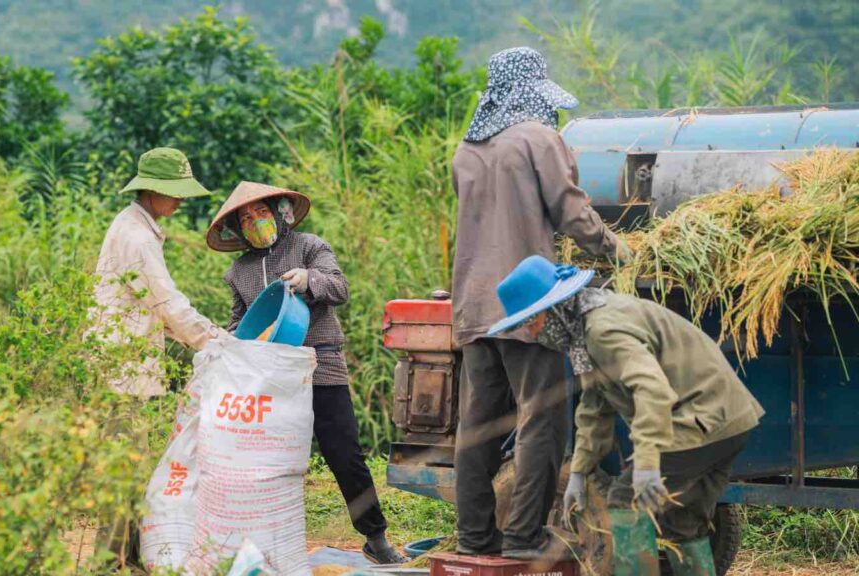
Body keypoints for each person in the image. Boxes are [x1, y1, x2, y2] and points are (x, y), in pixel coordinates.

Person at [450, 46, 629, 559]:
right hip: (528, 307)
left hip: (473, 307)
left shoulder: (468, 150)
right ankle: (524, 538)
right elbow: (572, 211)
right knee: (542, 419)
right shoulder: (537, 138)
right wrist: (617, 247)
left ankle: (475, 538)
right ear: (533, 89)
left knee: (479, 425)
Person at [488, 255, 765, 575]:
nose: (532, 332)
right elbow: (595, 405)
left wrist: (647, 464)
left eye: (531, 322)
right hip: (729, 421)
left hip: (700, 419)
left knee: (623, 502)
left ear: (552, 310)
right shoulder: (588, 326)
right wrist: (579, 471)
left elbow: (652, 390)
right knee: (683, 523)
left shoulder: (602, 330)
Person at [206, 181, 406, 565]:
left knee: (343, 453)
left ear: (279, 212)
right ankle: (261, 543)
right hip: (269, 380)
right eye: (246, 219)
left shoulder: (309, 247)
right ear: (237, 229)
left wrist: (308, 279)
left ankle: (375, 536)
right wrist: (222, 339)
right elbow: (240, 322)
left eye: (261, 213)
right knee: (264, 462)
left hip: (321, 364)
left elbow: (340, 287)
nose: (255, 222)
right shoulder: (239, 272)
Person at [92, 147, 227, 569]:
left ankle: (124, 558)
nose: (179, 200)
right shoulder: (136, 238)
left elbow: (155, 307)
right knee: (123, 471)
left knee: (129, 467)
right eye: (173, 192)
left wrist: (206, 336)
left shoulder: (135, 226)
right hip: (121, 371)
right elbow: (167, 303)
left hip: (123, 366)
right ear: (151, 190)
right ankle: (107, 564)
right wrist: (215, 341)